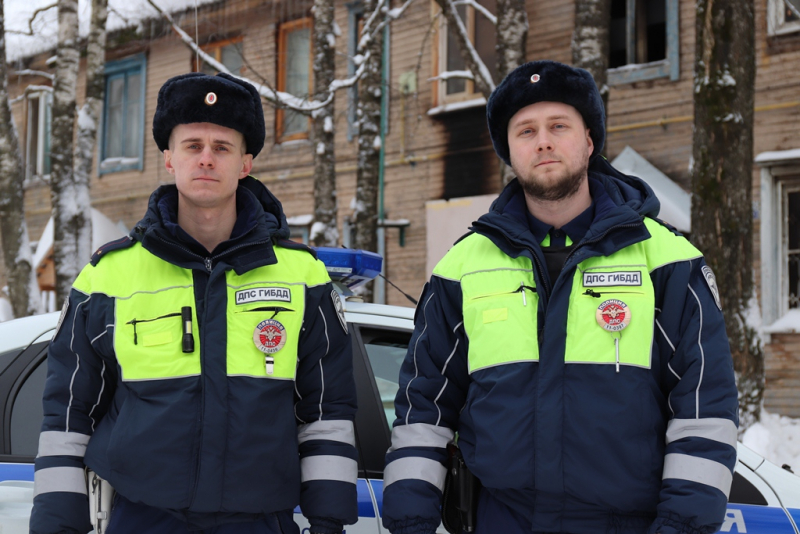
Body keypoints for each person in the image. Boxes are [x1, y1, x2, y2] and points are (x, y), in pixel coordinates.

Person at [382, 60, 739, 534]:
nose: (543, 142)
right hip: (499, 522)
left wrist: (682, 526)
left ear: (589, 141)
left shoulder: (667, 261)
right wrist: (410, 520)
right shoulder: (462, 267)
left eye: (558, 126)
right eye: (526, 131)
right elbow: (423, 404)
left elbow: (704, 408)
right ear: (509, 151)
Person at [30, 73, 358, 534]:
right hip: (143, 518)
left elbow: (326, 410)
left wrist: (329, 522)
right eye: (192, 145)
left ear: (245, 163)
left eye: (222, 147)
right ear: (169, 158)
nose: (206, 158)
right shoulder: (108, 276)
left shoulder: (302, 275)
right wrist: (57, 522)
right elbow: (68, 408)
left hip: (260, 522)